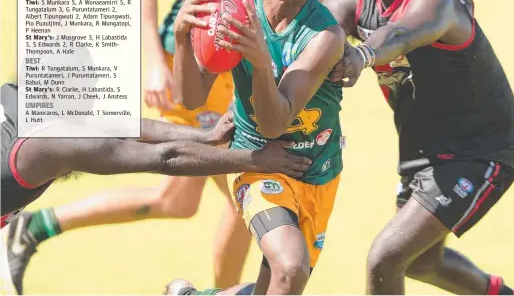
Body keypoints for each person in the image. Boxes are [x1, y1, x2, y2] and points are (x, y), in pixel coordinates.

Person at [7, 0, 334, 291]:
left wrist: (340, 52)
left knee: (178, 202)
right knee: (241, 189)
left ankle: (36, 225)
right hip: (201, 61)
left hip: (245, 61)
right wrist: (154, 66)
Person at [323, 0, 514, 296]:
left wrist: (363, 55)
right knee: (421, 262)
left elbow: (401, 34)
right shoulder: (352, 3)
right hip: (423, 155)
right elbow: (311, 38)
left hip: (480, 153)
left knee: (384, 259)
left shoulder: (440, 3)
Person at [168, 0, 345, 295]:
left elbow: (280, 114)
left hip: (318, 170)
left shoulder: (325, 35)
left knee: (278, 284)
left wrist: (261, 61)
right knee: (291, 266)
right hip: (259, 162)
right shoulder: (235, 14)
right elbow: (193, 98)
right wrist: (183, 38)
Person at [0, 82, 310, 295]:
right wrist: (256, 161)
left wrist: (203, 136)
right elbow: (167, 157)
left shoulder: (22, 98)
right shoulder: (58, 143)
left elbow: (115, 124)